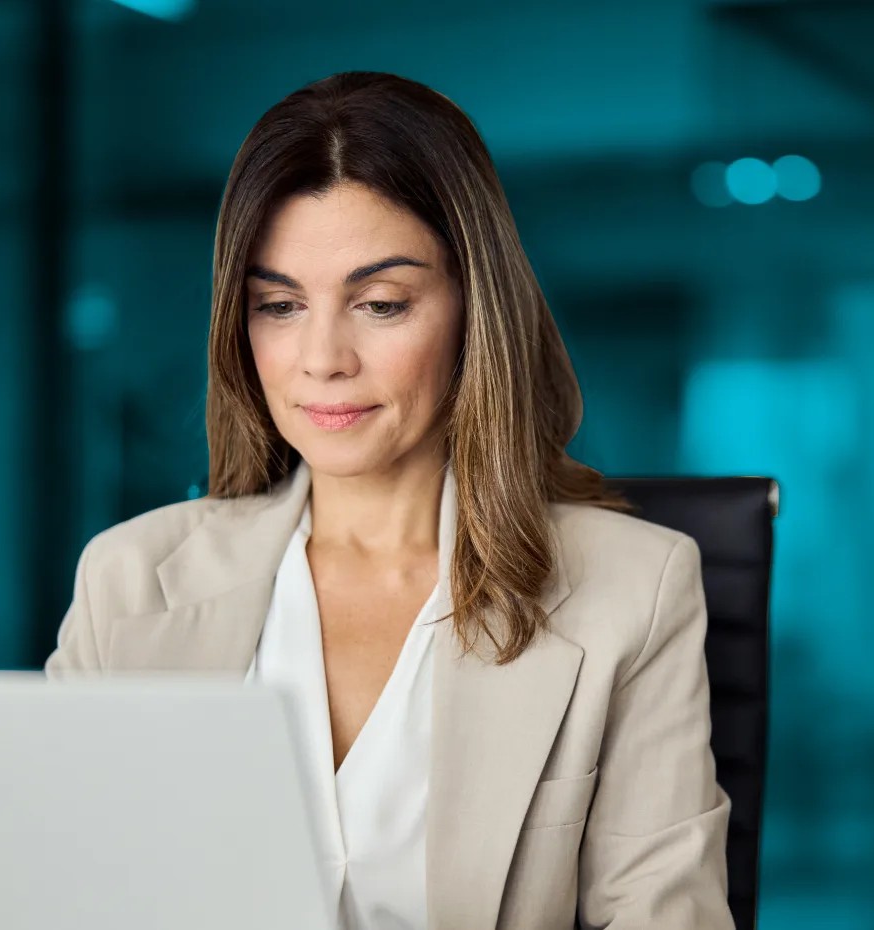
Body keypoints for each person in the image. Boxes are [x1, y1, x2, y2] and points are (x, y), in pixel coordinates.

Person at [46, 71, 733, 930]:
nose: (322, 358)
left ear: (474, 311)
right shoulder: (130, 580)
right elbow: (60, 889)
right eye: (280, 305)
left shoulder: (632, 586)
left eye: (379, 303)